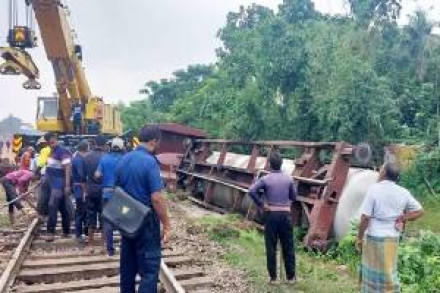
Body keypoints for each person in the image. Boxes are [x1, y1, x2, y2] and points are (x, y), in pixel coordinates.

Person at [116, 125, 171, 293]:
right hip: (145, 221)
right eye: (159, 142)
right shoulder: (150, 162)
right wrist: (167, 224)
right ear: (154, 141)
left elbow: (117, 189)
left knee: (128, 266)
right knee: (149, 270)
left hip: (126, 217)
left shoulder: (124, 159)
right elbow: (156, 199)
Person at [357, 162, 424, 293]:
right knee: (388, 270)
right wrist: (403, 218)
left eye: (381, 169)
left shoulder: (374, 189)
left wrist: (359, 237)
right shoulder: (403, 192)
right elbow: (420, 211)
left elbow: (365, 217)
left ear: (383, 173)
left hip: (374, 237)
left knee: (372, 270)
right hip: (392, 238)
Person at [248, 152, 297, 285]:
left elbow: (251, 191)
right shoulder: (288, 179)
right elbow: (294, 197)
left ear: (269, 164)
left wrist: (262, 204)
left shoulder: (265, 179)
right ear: (281, 164)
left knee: (271, 247)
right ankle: (291, 277)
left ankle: (274, 278)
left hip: (271, 215)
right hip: (285, 215)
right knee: (288, 246)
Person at [95, 137, 124, 257]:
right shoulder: (124, 159)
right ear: (122, 147)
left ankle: (110, 251)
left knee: (107, 222)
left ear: (111, 146)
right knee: (124, 219)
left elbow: (97, 175)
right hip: (121, 196)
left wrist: (103, 179)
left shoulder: (104, 158)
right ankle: (124, 248)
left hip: (106, 194)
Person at [45, 132, 72, 242]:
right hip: (52, 183)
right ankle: (66, 231)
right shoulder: (52, 151)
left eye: (53, 141)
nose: (52, 144)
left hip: (59, 183)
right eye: (50, 143)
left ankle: (50, 232)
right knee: (63, 207)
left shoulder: (62, 151)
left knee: (52, 206)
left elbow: (67, 168)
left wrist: (67, 185)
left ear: (56, 139)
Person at [84, 136, 106, 253]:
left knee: (90, 216)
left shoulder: (87, 157)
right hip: (103, 191)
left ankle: (90, 244)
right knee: (104, 217)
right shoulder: (106, 157)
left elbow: (84, 176)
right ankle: (103, 245)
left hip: (90, 190)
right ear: (105, 144)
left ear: (95, 143)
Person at [72, 140, 89, 243]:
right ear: (86, 148)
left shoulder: (78, 157)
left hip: (80, 188)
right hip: (80, 189)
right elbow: (82, 174)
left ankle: (83, 233)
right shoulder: (78, 159)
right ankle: (78, 234)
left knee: (83, 211)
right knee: (80, 212)